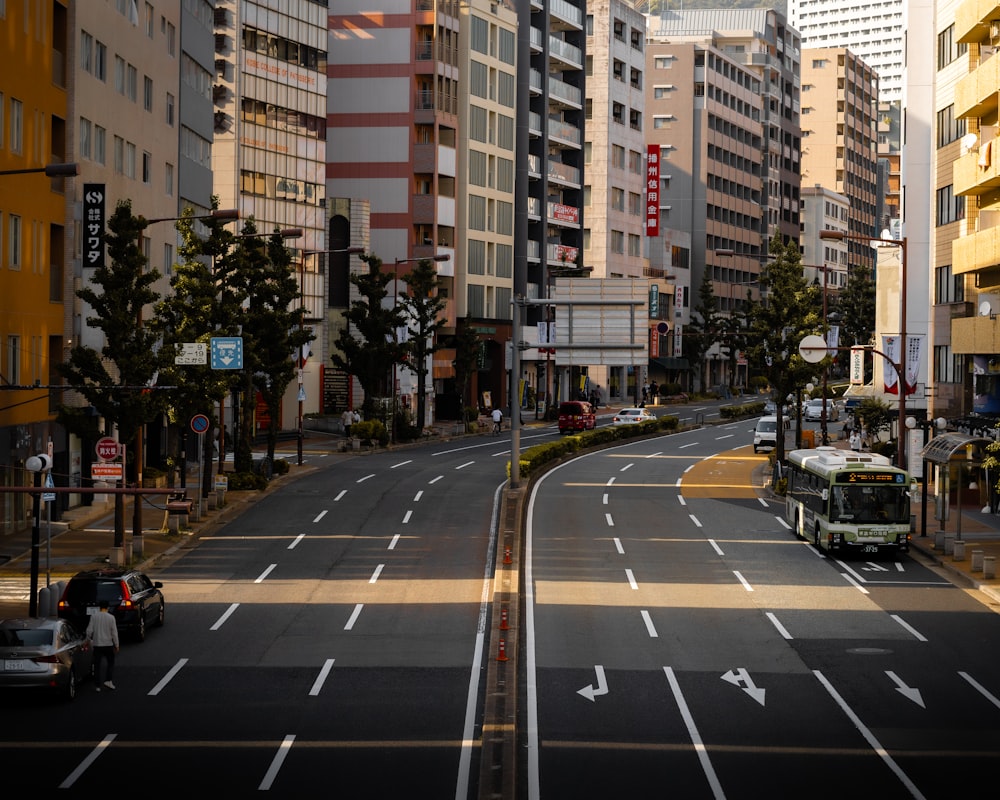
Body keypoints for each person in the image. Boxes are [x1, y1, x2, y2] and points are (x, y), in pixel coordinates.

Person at [86, 599, 120, 692]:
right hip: (108, 644)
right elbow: (114, 633)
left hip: (97, 645)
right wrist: (116, 645)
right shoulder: (111, 617)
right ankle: (108, 680)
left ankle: (97, 685)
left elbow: (89, 630)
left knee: (97, 665)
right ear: (107, 607)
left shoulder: (94, 616)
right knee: (110, 663)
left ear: (99, 607)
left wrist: (89, 639)